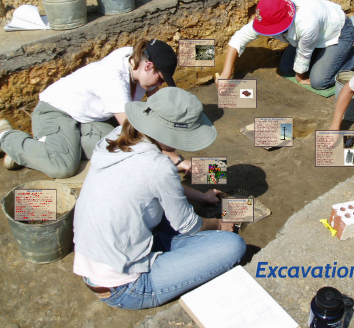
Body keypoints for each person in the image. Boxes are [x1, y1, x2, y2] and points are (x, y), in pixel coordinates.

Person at [73, 87, 246, 310]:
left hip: (94, 261)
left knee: (167, 212)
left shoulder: (115, 137)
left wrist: (201, 197)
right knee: (232, 245)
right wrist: (220, 225)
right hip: (125, 286)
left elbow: (154, 182)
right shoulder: (159, 167)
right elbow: (189, 225)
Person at [0, 39, 192, 178]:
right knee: (63, 166)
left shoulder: (137, 65)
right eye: (160, 79)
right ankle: (3, 137)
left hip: (86, 120)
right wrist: (174, 158)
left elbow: (152, 111)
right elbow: (134, 133)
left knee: (117, 151)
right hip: (56, 111)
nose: (159, 86)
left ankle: (32, 150)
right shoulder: (113, 78)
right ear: (148, 65)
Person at [217, 0, 354, 90]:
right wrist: (226, 73)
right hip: (314, 37)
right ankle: (324, 58)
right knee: (286, 69)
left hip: (338, 33)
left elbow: (304, 54)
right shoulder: (268, 15)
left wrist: (300, 78)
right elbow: (238, 38)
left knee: (319, 82)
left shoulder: (306, 23)